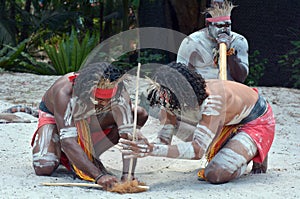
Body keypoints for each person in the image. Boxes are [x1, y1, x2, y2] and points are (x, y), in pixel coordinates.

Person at [120, 62, 275, 184]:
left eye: (164, 92)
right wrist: (143, 143)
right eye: (159, 91)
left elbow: (196, 151)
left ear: (180, 91)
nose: (161, 97)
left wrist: (151, 150)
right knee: (177, 124)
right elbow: (164, 139)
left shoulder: (214, 100)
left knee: (215, 174)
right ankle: (232, 147)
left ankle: (251, 152)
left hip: (255, 121)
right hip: (225, 122)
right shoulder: (171, 99)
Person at [31, 62, 148, 190]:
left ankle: (89, 156)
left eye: (108, 100)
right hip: (58, 118)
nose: (103, 105)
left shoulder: (119, 91)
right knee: (44, 166)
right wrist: (98, 176)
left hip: (91, 118)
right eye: (99, 99)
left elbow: (127, 135)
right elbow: (68, 141)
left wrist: (128, 175)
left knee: (138, 114)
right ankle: (70, 155)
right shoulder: (65, 91)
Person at [176, 0, 249, 83]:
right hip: (202, 90)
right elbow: (180, 75)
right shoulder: (192, 42)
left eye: (228, 25)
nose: (224, 30)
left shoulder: (238, 41)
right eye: (220, 26)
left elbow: (241, 78)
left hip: (231, 90)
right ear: (208, 24)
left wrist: (229, 53)